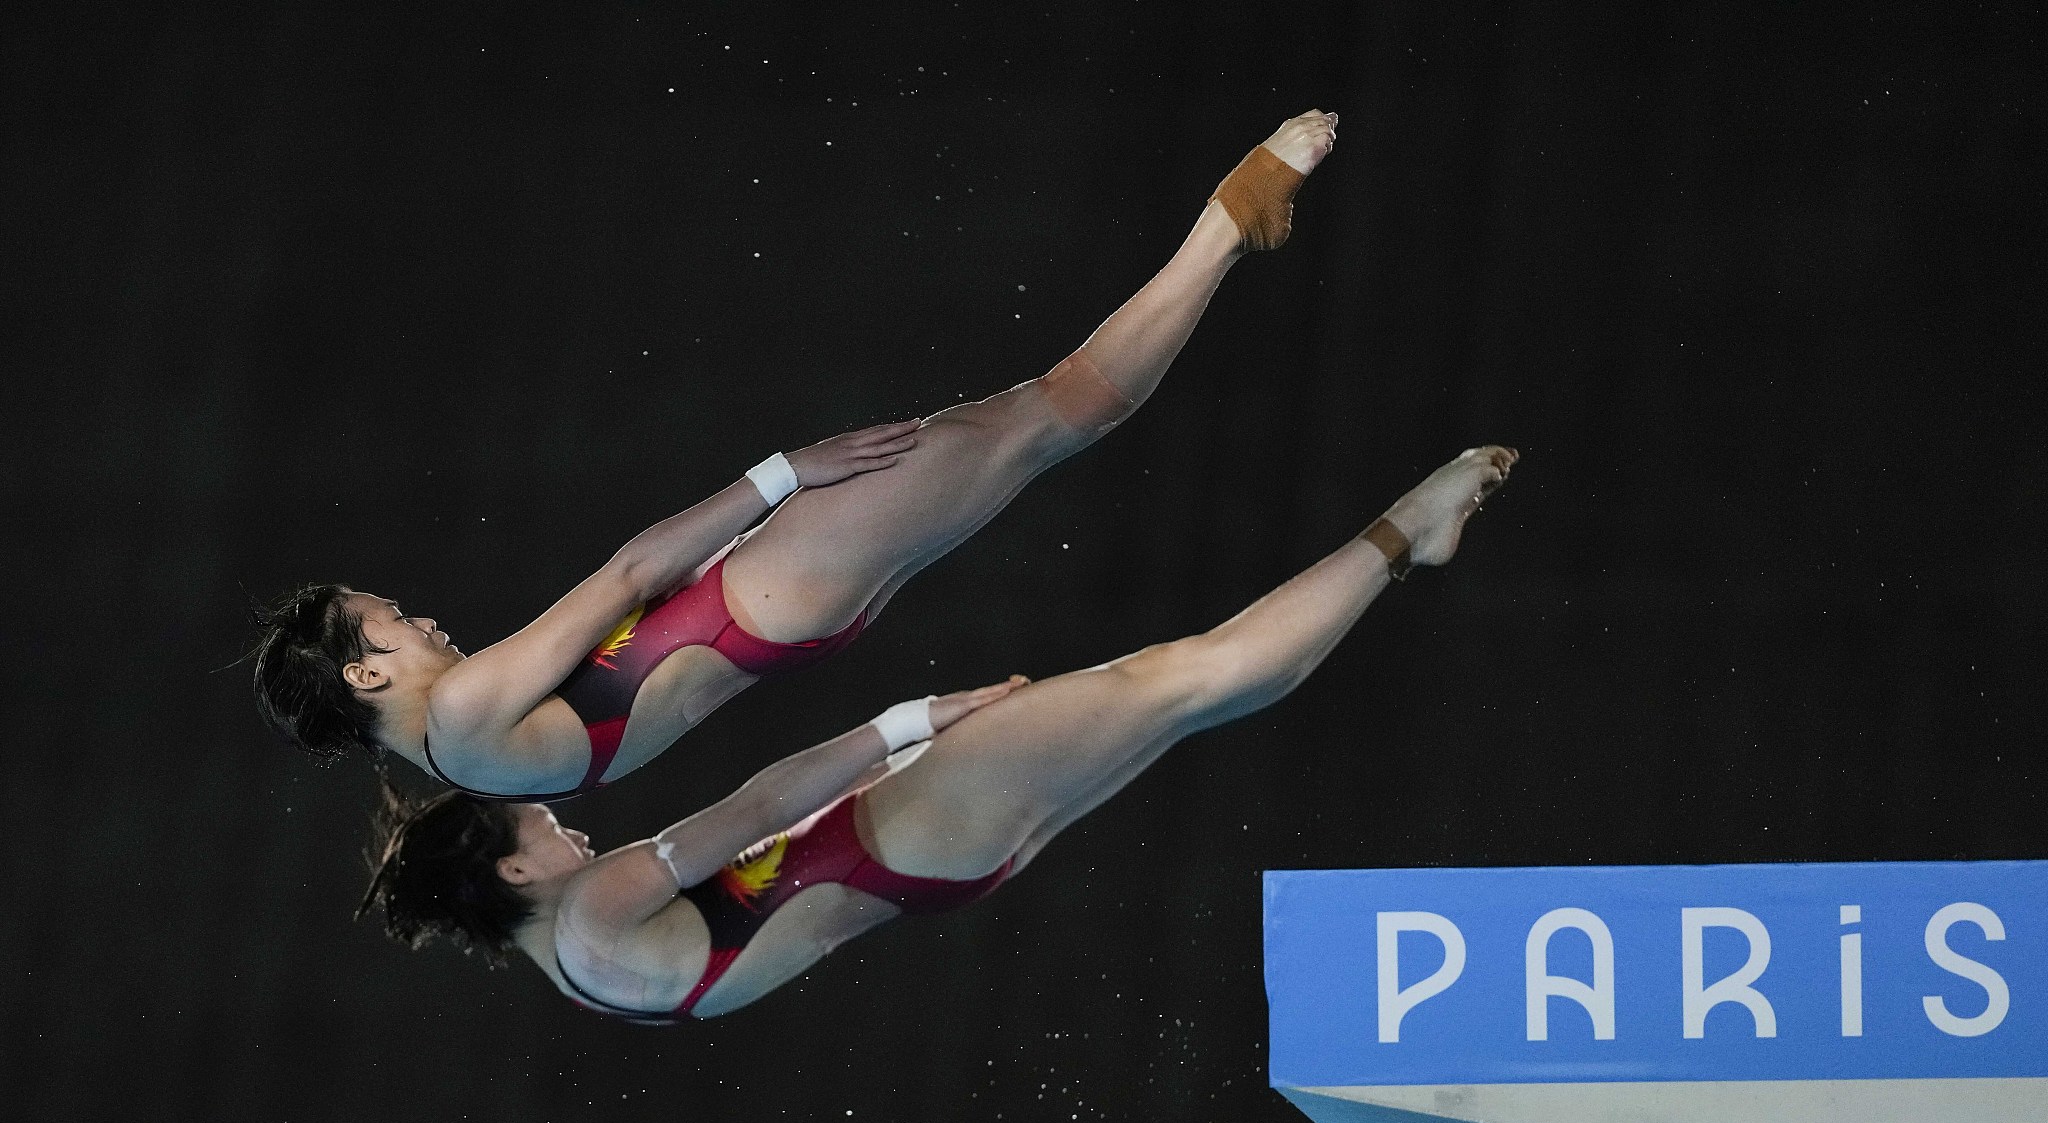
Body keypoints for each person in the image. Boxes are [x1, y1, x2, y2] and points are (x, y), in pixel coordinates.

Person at [254, 112, 1342, 801]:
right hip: (766, 585)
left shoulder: (468, 773)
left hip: (780, 620)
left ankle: (1225, 235)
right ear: (365, 670)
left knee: (1040, 427)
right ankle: (1227, 224)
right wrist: (782, 473)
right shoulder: (461, 711)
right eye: (395, 619)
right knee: (1049, 415)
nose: (427, 619)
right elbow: (628, 578)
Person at [357, 447, 1516, 1020]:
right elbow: (759, 811)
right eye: (539, 826)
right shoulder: (599, 912)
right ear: (509, 868)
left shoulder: (583, 980)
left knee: (1188, 696)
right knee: (1183, 678)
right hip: (900, 827)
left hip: (923, 864)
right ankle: (1403, 531)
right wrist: (911, 722)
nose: (561, 823)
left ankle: (1403, 544)